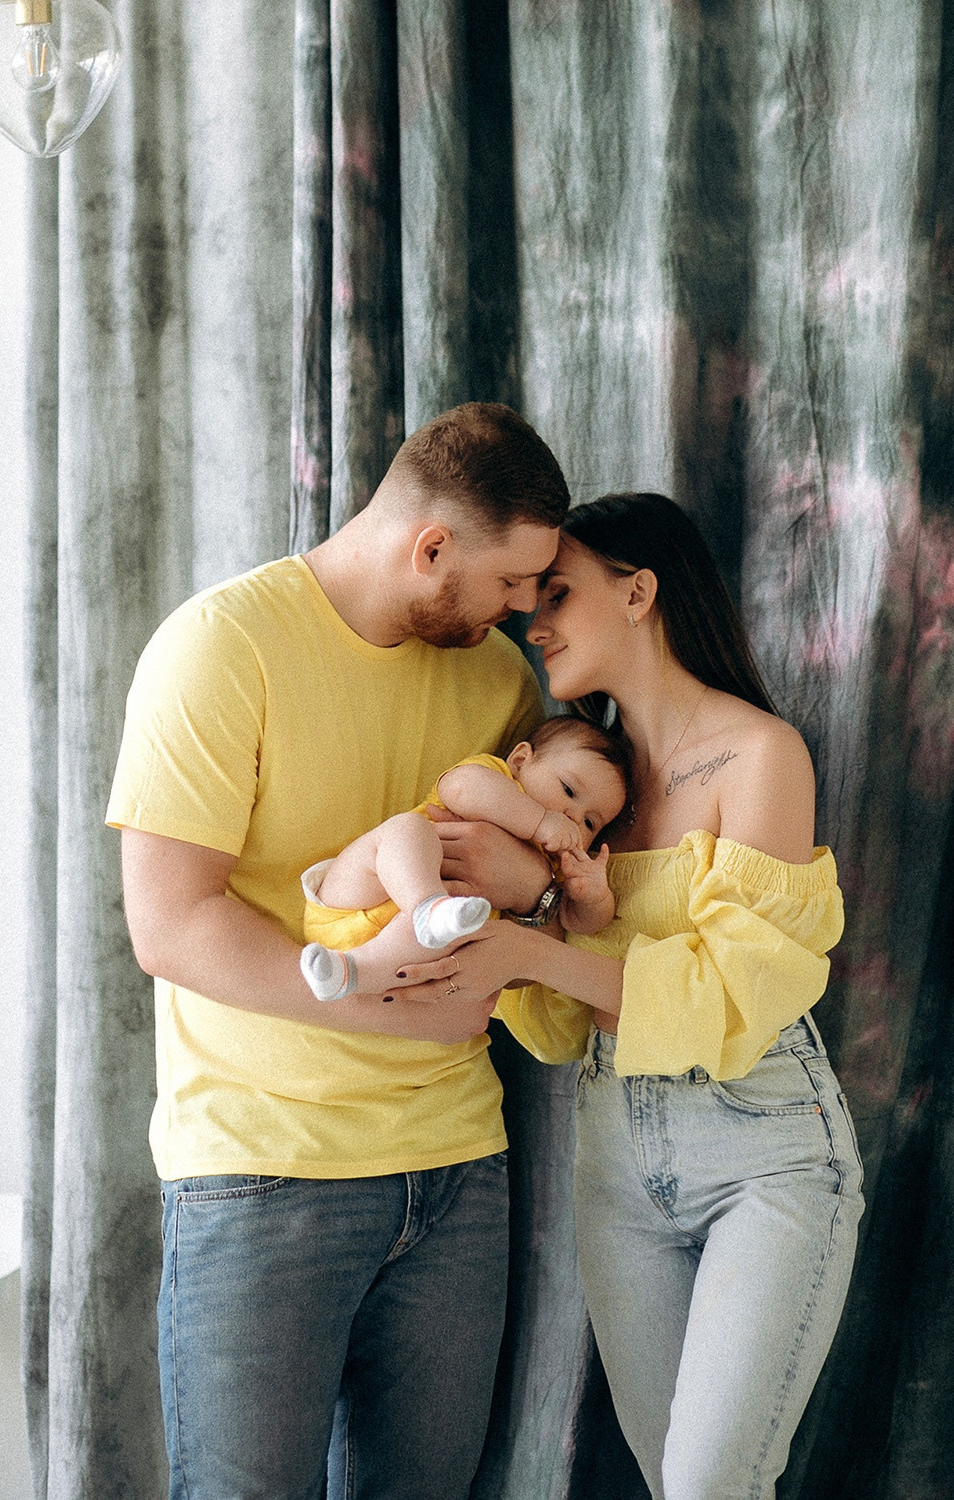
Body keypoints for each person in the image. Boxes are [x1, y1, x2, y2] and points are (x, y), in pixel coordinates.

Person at [106, 402, 570, 1500]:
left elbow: (529, 892)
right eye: (513, 583)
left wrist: (538, 885)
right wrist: (381, 1003)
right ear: (432, 548)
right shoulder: (221, 647)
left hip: (457, 1170)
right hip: (263, 1173)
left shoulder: (495, 683)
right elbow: (169, 923)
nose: (527, 614)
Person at [398, 492, 865, 1500]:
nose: (534, 619)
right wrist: (522, 911)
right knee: (672, 1484)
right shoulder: (574, 785)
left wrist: (531, 957)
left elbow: (730, 994)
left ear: (640, 593)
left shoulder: (760, 755)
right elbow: (566, 1032)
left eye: (558, 592)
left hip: (767, 1151)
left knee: (708, 1485)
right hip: (614, 1160)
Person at [299, 714, 631, 1002]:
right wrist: (539, 820)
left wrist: (595, 897)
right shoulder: (496, 777)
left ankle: (349, 972)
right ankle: (427, 905)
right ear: (519, 761)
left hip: (395, 955)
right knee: (408, 830)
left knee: (454, 937)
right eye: (569, 791)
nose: (573, 816)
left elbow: (575, 923)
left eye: (590, 822)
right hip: (356, 897)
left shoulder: (555, 863)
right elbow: (458, 789)